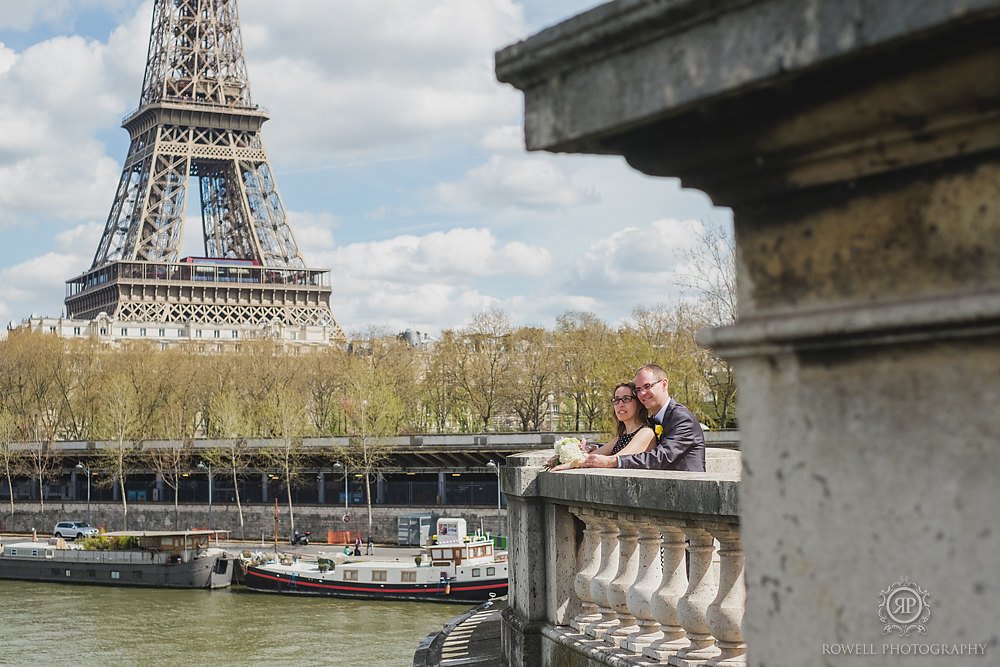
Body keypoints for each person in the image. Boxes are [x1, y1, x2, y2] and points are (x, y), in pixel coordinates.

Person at [574, 364, 706, 471]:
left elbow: (662, 456)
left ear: (664, 384)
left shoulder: (681, 418)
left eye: (647, 386)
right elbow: (628, 442)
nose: (642, 394)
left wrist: (614, 461)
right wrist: (594, 448)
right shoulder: (653, 420)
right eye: (638, 389)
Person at [549, 382, 657, 471]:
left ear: (638, 403)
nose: (620, 404)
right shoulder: (622, 436)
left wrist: (573, 464)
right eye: (616, 400)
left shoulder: (645, 433)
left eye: (626, 399)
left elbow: (615, 459)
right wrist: (562, 458)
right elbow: (591, 456)